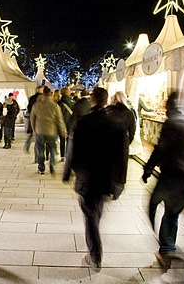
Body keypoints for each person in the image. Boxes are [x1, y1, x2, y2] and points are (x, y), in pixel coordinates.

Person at [63, 87, 125, 268]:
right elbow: (122, 154)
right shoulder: (117, 122)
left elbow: (71, 151)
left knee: (90, 215)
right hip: (107, 177)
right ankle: (94, 245)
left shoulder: (83, 123)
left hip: (87, 177)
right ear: (106, 101)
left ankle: (95, 254)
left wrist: (67, 173)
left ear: (92, 100)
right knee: (95, 211)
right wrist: (120, 181)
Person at [140, 91, 184, 268]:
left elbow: (161, 148)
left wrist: (148, 169)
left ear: (169, 106)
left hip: (172, 175)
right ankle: (167, 245)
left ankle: (166, 247)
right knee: (172, 212)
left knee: (155, 205)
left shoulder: (171, 123)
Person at [105, 91, 136, 200]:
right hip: (122, 144)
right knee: (121, 167)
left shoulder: (107, 111)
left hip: (108, 144)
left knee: (109, 165)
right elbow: (132, 131)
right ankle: (117, 190)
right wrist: (127, 142)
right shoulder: (129, 113)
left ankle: (108, 187)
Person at [30, 86, 67, 175]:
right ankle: (52, 165)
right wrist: (63, 131)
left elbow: (32, 118)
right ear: (50, 94)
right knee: (53, 148)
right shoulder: (55, 106)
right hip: (51, 131)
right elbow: (60, 120)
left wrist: (34, 129)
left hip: (40, 130)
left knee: (40, 149)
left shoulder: (37, 105)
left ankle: (41, 168)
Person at [25, 85, 44, 161]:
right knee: (38, 138)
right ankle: (38, 157)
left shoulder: (32, 98)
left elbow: (29, 107)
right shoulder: (43, 98)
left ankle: (28, 146)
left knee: (33, 134)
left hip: (34, 118)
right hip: (40, 119)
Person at [57, 87, 75, 162]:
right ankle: (68, 154)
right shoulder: (73, 102)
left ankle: (62, 156)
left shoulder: (58, 103)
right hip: (70, 123)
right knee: (69, 140)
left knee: (62, 140)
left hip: (61, 123)